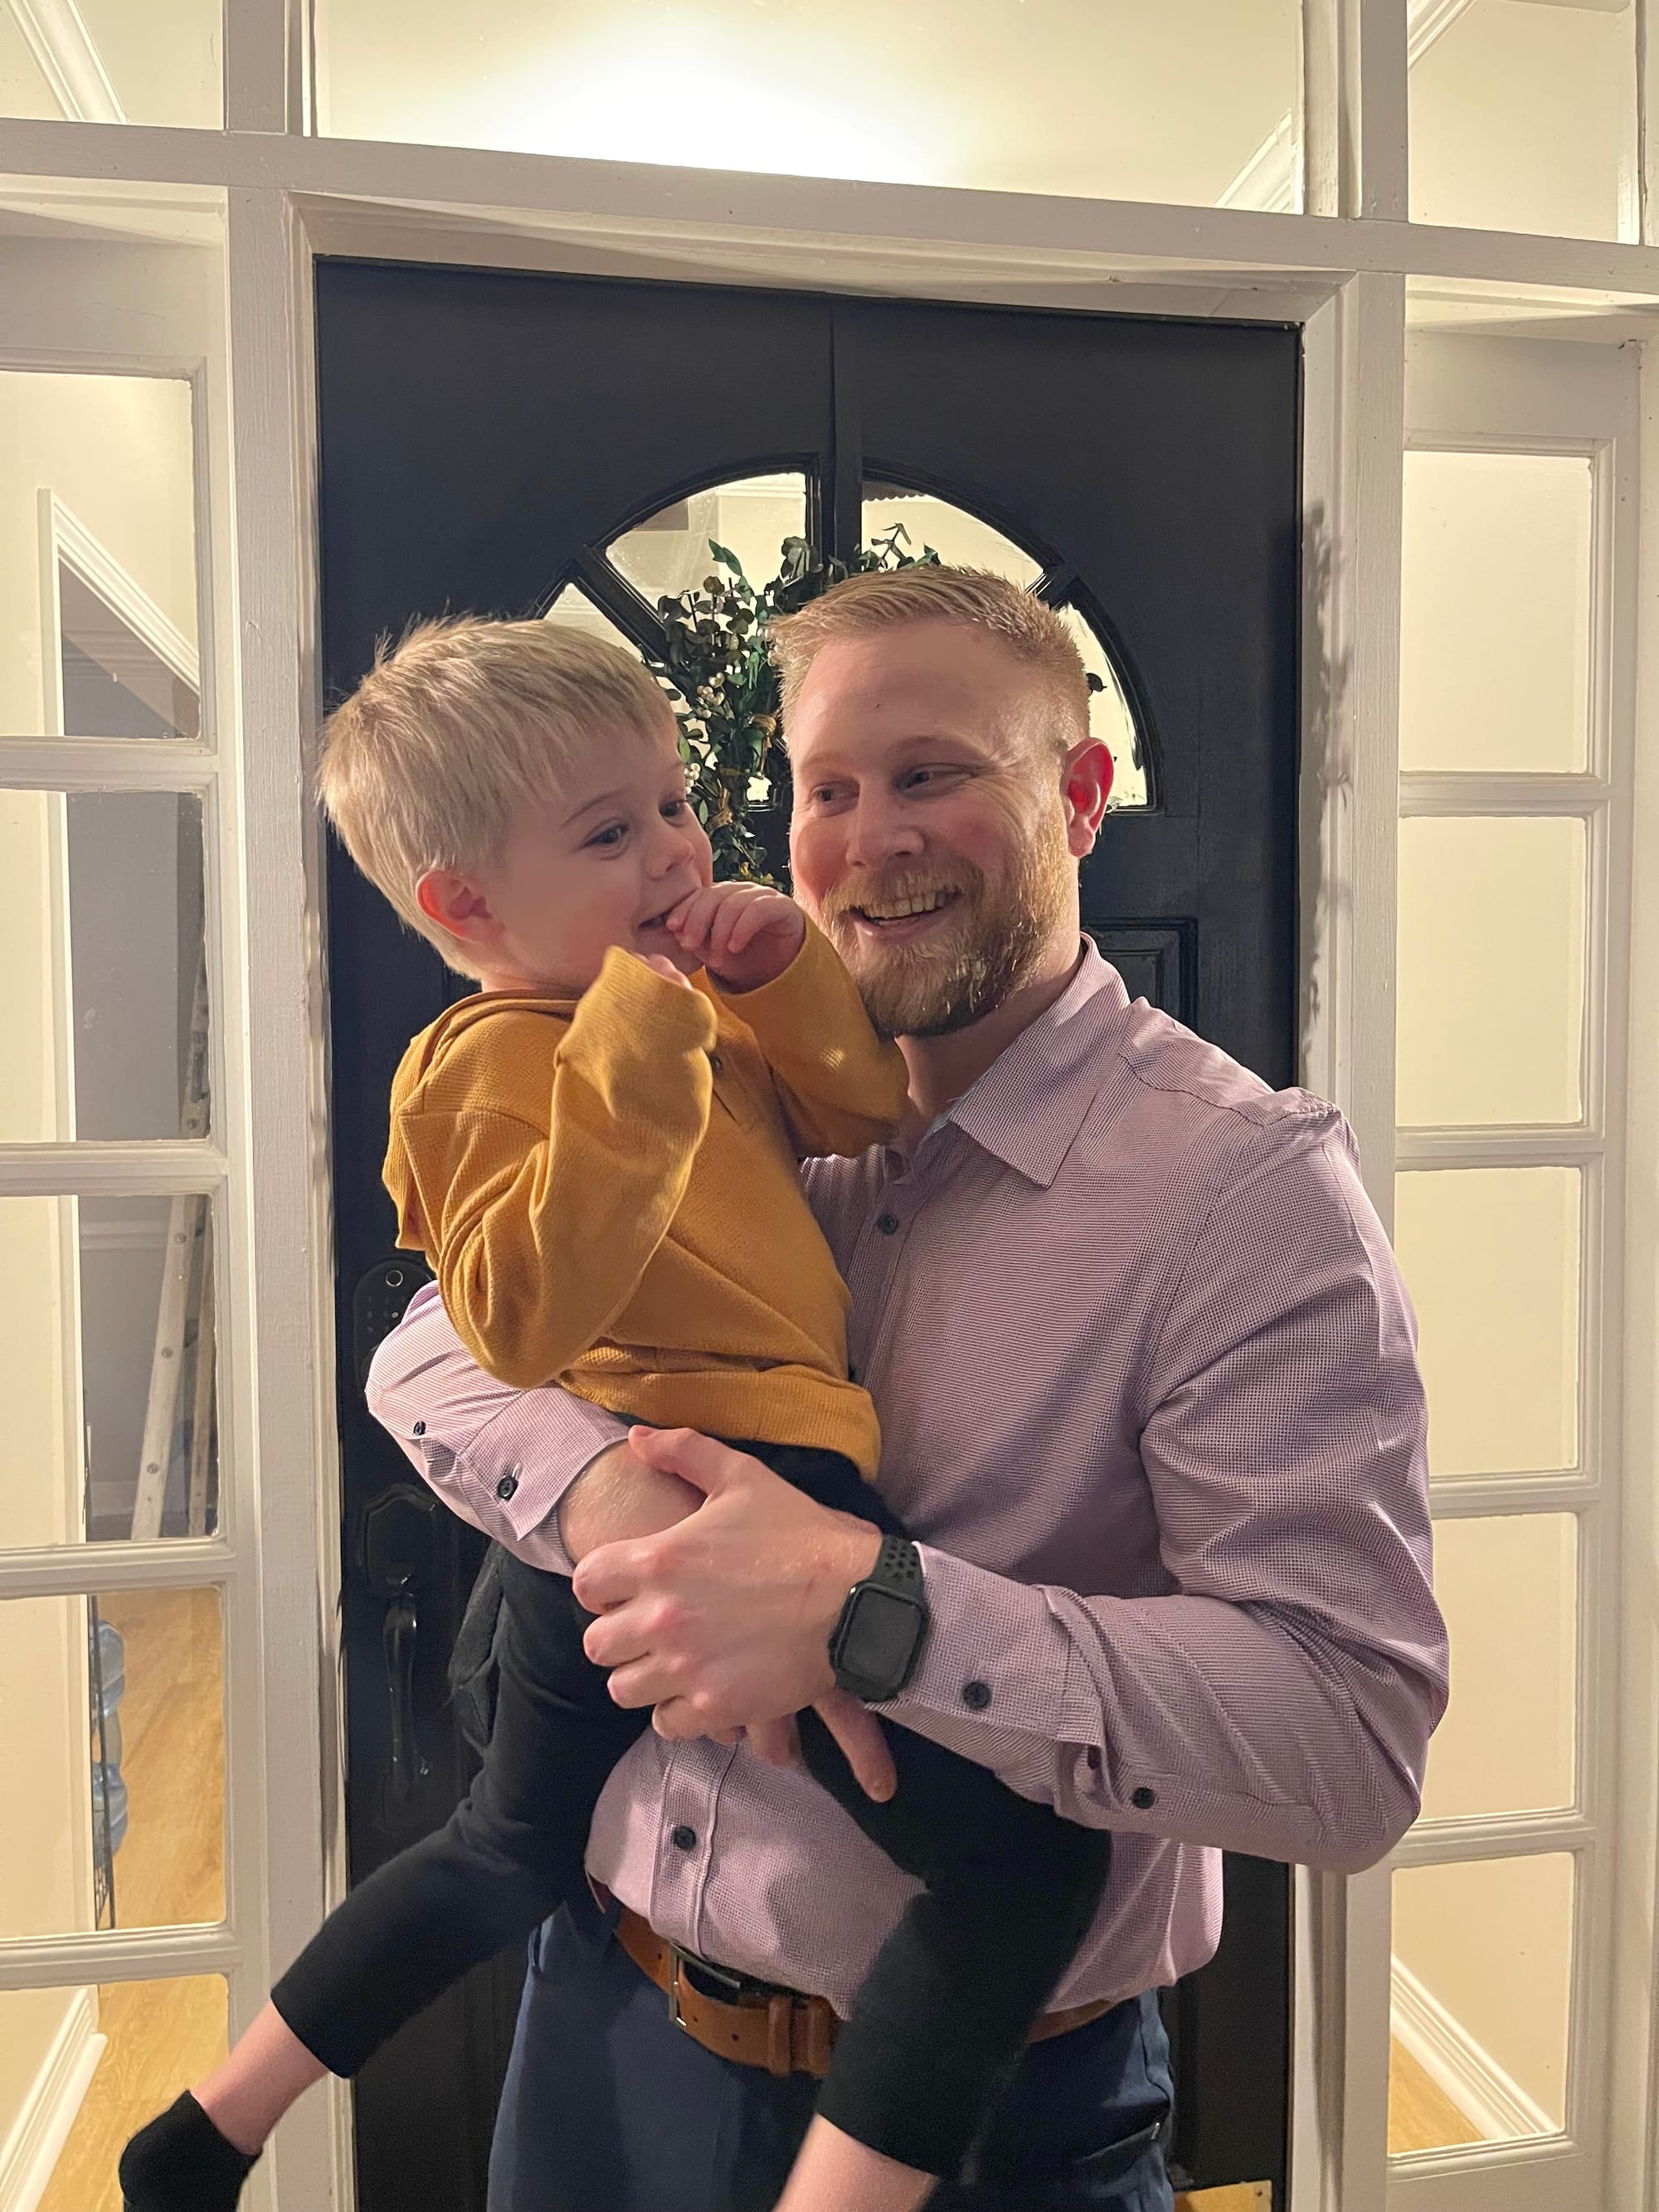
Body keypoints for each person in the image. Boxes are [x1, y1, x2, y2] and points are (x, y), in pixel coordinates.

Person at [350, 566, 1448, 2212]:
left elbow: (1348, 1738)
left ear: (1080, 794)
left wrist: (876, 1615)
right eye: (826, 790)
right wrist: (604, 1492)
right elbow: (431, 1345)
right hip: (599, 2018)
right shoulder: (706, 1067)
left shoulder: (1245, 1197)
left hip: (994, 2118)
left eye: (932, 773)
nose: (870, 841)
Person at [116, 616, 1122, 2212]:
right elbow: (516, 1314)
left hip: (721, 1499)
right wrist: (648, 1030)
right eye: (609, 833)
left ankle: (202, 2135)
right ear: (465, 905)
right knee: (1026, 1866)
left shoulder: (687, 1014)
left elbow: (866, 1111)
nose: (673, 852)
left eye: (674, 804)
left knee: (504, 1848)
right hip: (726, 1481)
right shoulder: (473, 1067)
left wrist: (778, 976)